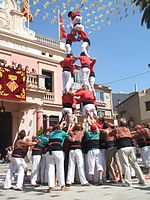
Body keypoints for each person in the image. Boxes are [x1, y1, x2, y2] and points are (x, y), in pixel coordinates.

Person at [111, 119, 146, 186]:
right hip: (130, 147)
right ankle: (142, 180)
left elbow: (110, 134)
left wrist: (114, 127)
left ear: (120, 123)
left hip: (122, 148)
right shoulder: (127, 129)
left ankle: (128, 182)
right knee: (135, 164)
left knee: (125, 165)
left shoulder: (117, 129)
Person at [45, 124, 71, 193]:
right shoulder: (62, 132)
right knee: (60, 168)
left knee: (50, 169)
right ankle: (62, 185)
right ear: (60, 128)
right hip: (58, 151)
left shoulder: (51, 133)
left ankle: (50, 187)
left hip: (49, 151)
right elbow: (70, 138)